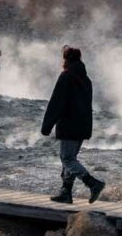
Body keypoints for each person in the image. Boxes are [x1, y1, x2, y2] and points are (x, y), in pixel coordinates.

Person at [41, 46, 105, 204]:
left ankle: (93, 183)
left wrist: (47, 126)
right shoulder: (86, 80)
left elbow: (57, 102)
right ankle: (66, 193)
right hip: (82, 126)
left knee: (67, 159)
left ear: (66, 59)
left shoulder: (67, 76)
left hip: (69, 125)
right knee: (70, 159)